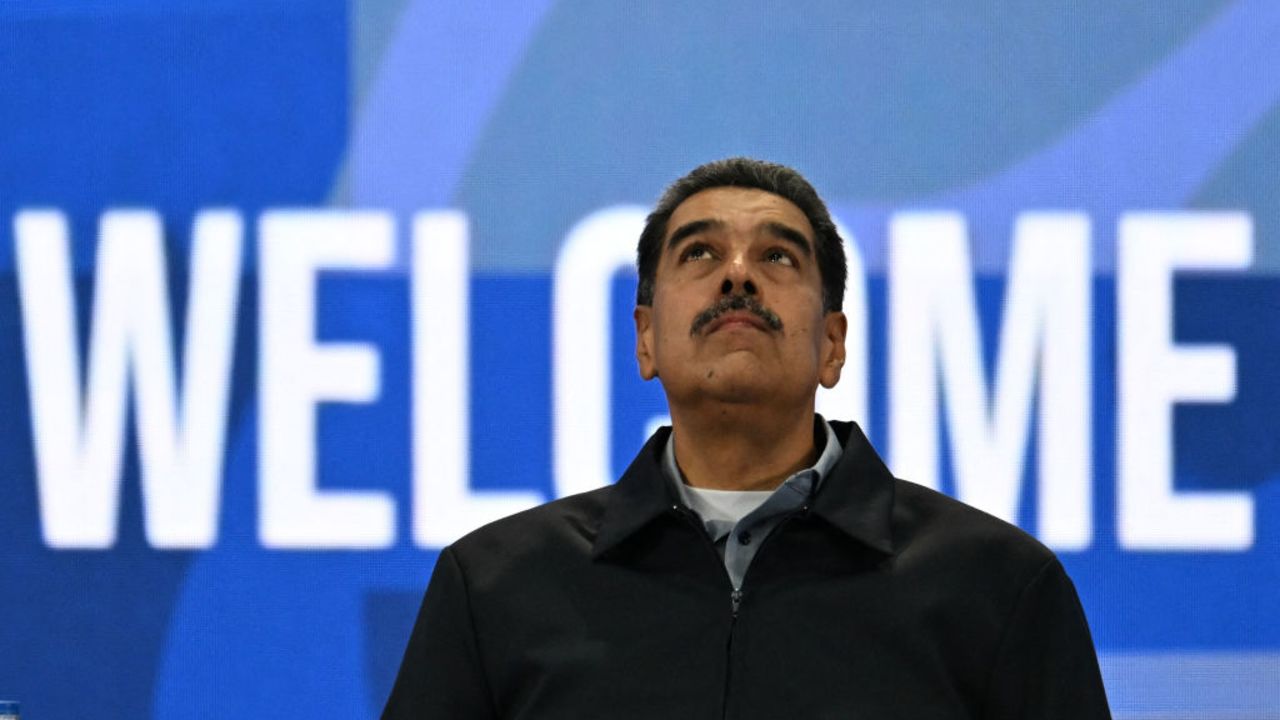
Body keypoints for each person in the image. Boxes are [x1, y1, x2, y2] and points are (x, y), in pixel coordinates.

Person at [383, 158, 1112, 719]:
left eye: (779, 257)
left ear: (832, 345)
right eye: (699, 254)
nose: (738, 276)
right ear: (645, 340)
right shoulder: (496, 586)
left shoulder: (996, 587)